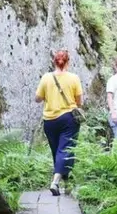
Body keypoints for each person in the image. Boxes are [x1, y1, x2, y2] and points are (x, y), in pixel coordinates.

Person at [35, 50, 84, 196]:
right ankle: (55, 182)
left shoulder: (46, 78)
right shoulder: (74, 78)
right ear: (68, 62)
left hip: (49, 121)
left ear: (54, 62)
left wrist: (49, 95)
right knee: (66, 150)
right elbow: (79, 102)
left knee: (58, 152)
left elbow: (37, 98)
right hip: (68, 119)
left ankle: (67, 183)